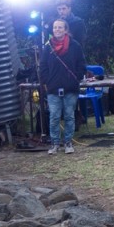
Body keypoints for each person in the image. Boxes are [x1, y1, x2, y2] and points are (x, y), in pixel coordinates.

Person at [39, 18, 86, 155]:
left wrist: (76, 78)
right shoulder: (48, 47)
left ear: (66, 30)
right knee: (54, 116)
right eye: (55, 27)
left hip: (70, 87)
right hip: (53, 88)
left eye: (60, 27)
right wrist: (48, 81)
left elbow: (81, 64)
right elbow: (43, 66)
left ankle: (68, 142)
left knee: (69, 115)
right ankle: (54, 143)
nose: (57, 30)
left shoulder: (75, 46)